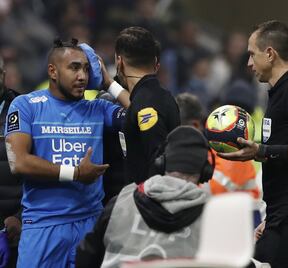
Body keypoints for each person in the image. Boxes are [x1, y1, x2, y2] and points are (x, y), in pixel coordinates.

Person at [4, 38, 130, 268]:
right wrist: (76, 173)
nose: (82, 75)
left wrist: (108, 82)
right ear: (52, 71)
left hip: (91, 225)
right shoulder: (26, 105)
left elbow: (144, 115)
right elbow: (19, 162)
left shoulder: (98, 109)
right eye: (74, 67)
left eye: (86, 69)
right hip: (43, 226)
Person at [219, 20, 288, 267]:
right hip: (283, 213)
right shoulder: (279, 92)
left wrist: (263, 151)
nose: (249, 63)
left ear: (270, 54)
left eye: (252, 54)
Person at [76, 126, 212, 267]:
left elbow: (86, 257)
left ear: (162, 163)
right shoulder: (214, 214)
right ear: (205, 171)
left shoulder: (122, 202)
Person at [114, 26, 180, 184]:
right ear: (156, 62)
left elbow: (158, 162)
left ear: (119, 61)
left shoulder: (146, 104)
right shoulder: (160, 96)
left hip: (148, 203)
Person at [175, 92, 259, 198]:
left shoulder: (229, 152)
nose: (172, 137)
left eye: (176, 131)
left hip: (238, 211)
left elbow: (213, 193)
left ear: (195, 125)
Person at [0, 56, 22, 268]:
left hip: (14, 230)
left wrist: (20, 217)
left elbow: (40, 173)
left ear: (3, 75)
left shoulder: (24, 112)